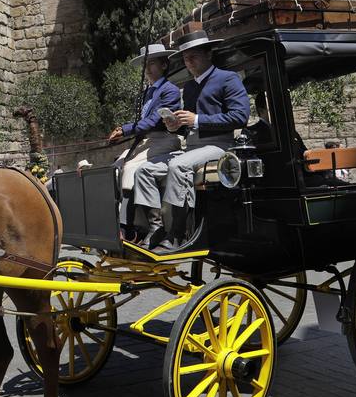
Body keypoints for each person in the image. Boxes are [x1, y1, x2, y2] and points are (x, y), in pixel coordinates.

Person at [132, 27, 250, 253]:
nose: (189, 61)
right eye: (185, 58)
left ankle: (176, 235)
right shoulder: (190, 87)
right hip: (193, 146)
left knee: (178, 165)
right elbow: (189, 126)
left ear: (209, 54)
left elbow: (240, 116)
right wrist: (177, 126)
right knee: (144, 171)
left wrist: (196, 119)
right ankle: (155, 229)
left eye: (193, 56)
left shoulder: (227, 78)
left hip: (219, 145)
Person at [106, 43, 181, 242]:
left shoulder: (170, 90)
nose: (147, 68)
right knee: (115, 168)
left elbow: (154, 121)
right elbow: (142, 123)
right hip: (145, 141)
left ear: (164, 65)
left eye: (153, 63)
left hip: (165, 139)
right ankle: (120, 222)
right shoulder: (146, 94)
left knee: (130, 168)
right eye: (145, 63)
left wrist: (125, 129)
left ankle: (132, 228)